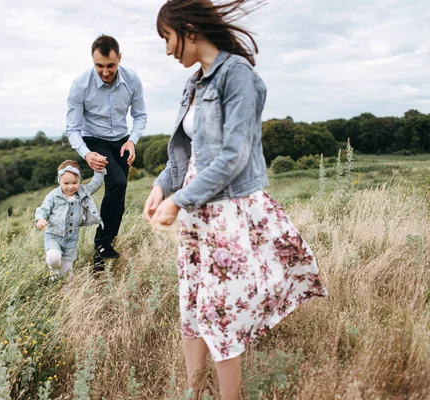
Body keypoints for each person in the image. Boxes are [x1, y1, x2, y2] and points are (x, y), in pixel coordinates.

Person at [143, 1, 328, 398]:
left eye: (167, 38)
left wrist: (178, 201)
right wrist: (161, 187)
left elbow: (234, 154)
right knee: (191, 300)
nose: (166, 50)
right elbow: (189, 152)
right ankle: (194, 390)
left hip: (224, 209)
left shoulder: (237, 74)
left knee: (222, 312)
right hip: (195, 208)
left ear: (189, 30)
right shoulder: (194, 83)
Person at [66, 34, 148, 272]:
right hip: (95, 140)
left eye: (110, 65)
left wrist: (132, 141)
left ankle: (101, 255)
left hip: (122, 141)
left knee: (119, 195)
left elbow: (140, 115)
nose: (105, 71)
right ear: (93, 61)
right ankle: (102, 245)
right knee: (118, 182)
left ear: (120, 58)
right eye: (99, 66)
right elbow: (72, 128)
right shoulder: (80, 85)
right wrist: (87, 154)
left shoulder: (132, 80)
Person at [35, 160, 105, 280]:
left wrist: (99, 168)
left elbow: (97, 182)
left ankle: (64, 291)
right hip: (53, 235)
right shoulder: (53, 195)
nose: (71, 186)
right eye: (66, 183)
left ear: (80, 180)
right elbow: (43, 209)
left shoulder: (83, 192)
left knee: (68, 275)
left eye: (75, 182)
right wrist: (40, 219)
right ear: (59, 181)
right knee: (53, 257)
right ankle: (54, 272)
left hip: (71, 239)